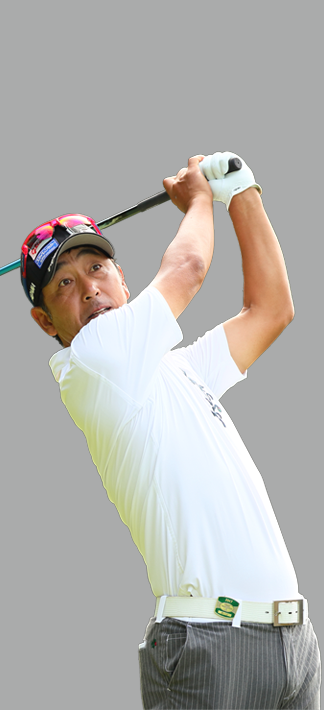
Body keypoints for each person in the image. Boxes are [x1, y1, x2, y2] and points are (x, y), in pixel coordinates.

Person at [19, 152, 321, 709]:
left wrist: (242, 192)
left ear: (122, 278)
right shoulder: (94, 361)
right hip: (209, 647)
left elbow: (272, 309)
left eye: (97, 268)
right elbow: (188, 268)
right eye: (63, 283)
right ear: (45, 321)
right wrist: (200, 198)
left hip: (293, 644)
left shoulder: (177, 369)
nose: (88, 288)